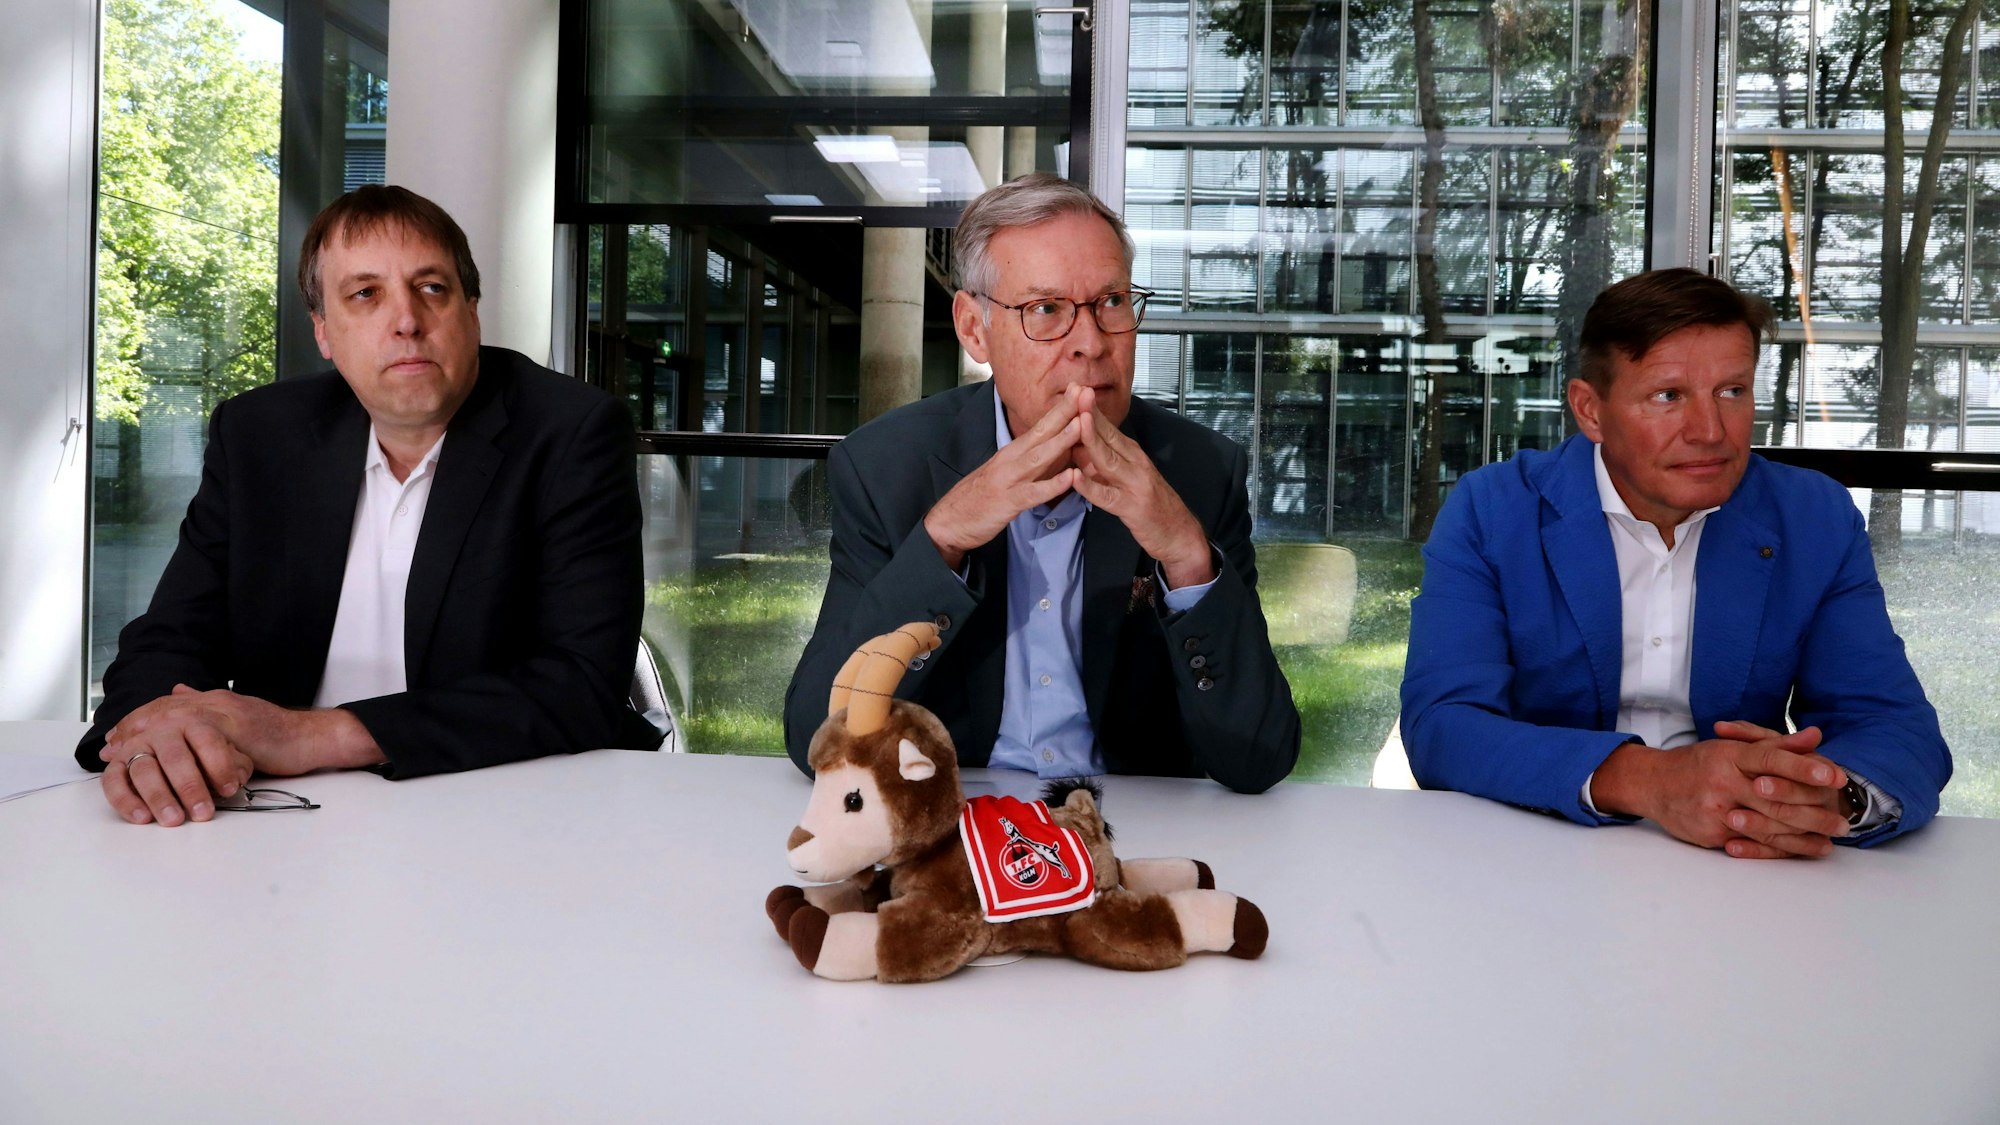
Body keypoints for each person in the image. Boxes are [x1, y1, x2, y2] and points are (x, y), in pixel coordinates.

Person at [78, 184, 660, 827]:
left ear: (472, 311)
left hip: (504, 810)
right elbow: (169, 639)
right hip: (277, 819)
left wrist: (308, 736)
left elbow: (580, 682)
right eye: (365, 294)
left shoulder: (570, 432)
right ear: (324, 332)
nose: (406, 320)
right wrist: (156, 735)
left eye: (432, 288)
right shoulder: (258, 436)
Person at [1401, 268, 1951, 856]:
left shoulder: (1811, 516)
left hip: (1741, 861)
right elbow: (1445, 723)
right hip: (1537, 848)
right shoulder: (1494, 509)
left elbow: (1893, 725)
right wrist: (1651, 781)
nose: (1710, 431)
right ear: (1590, 410)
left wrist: (1826, 798)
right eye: (1668, 396)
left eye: (1732, 392)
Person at [783, 173, 1300, 794]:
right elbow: (819, 735)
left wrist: (1187, 556)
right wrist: (942, 539)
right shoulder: (886, 468)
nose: (1090, 343)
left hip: (1138, 825)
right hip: (958, 819)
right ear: (975, 329)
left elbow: (1259, 759)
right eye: (1046, 309)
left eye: (1111, 301)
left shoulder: (1198, 471)